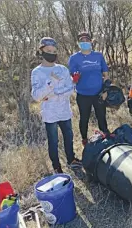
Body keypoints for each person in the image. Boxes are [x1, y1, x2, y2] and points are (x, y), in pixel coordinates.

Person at [31, 37, 82, 174]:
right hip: (50, 113)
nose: (52, 54)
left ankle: (71, 159)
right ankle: (56, 166)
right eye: (48, 51)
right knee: (53, 141)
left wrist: (53, 94)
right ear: (41, 51)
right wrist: (51, 81)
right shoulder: (37, 72)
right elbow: (37, 96)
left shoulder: (63, 69)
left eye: (54, 51)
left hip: (64, 110)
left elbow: (70, 89)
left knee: (68, 137)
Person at [68, 32, 111, 146]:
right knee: (84, 117)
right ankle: (84, 139)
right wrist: (75, 78)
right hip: (83, 94)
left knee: (101, 115)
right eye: (82, 41)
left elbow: (106, 74)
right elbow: (72, 76)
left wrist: (105, 91)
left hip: (98, 93)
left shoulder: (98, 56)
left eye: (87, 40)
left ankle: (105, 134)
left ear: (91, 42)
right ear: (78, 43)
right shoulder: (74, 58)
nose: (85, 42)